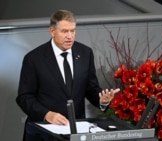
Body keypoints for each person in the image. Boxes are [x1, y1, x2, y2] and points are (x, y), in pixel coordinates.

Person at [16, 9, 120, 141]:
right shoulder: (34, 59)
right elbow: (24, 97)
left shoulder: (85, 53)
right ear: (52, 31)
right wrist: (47, 114)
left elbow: (91, 88)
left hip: (75, 132)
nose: (70, 36)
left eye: (73, 30)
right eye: (64, 31)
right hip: (43, 134)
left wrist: (102, 100)